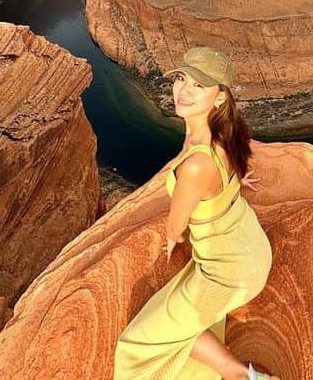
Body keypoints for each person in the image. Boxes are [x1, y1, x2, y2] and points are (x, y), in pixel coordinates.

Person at [114, 46, 279, 380]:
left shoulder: (197, 164)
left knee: (135, 346)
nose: (183, 91)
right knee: (176, 327)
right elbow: (228, 167)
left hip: (228, 274)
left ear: (219, 98)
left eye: (199, 85)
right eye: (180, 78)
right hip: (248, 246)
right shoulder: (223, 133)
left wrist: (172, 239)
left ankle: (245, 377)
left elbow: (177, 224)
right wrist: (234, 181)